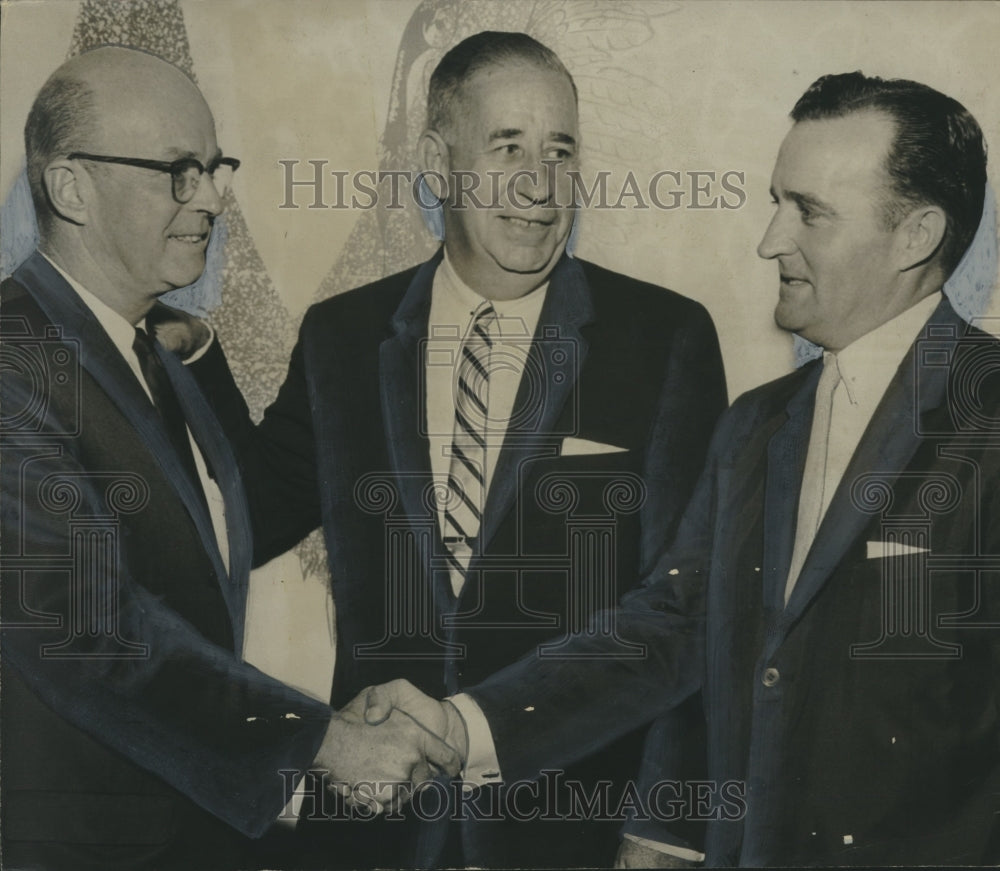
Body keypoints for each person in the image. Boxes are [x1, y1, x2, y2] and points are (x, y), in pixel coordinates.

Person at [363, 71, 1000, 866]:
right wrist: (466, 728)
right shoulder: (756, 427)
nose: (771, 238)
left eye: (810, 211)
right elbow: (668, 631)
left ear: (916, 235)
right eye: (776, 200)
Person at [187, 29, 727, 869]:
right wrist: (192, 360)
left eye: (559, 151)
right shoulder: (344, 337)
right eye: (506, 147)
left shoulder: (664, 339)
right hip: (373, 833)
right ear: (437, 166)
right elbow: (242, 513)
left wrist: (665, 826)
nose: (539, 187)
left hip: (571, 830)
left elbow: (692, 606)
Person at [0, 46, 454, 871]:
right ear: (70, 187)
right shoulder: (13, 359)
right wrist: (325, 741)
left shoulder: (162, 357)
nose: (212, 197)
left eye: (214, 168)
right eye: (178, 170)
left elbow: (239, 520)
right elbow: (87, 632)